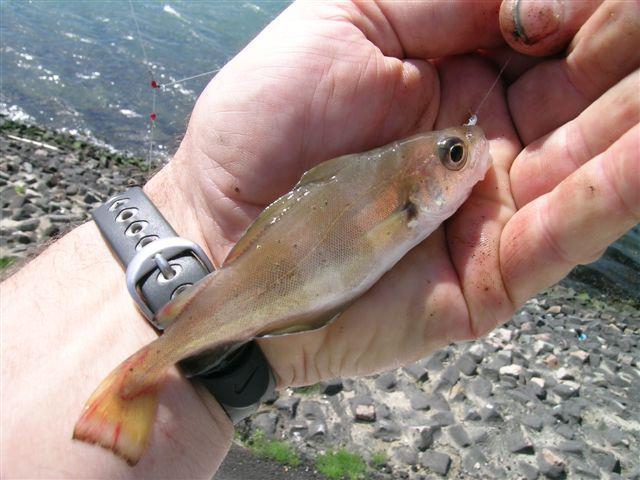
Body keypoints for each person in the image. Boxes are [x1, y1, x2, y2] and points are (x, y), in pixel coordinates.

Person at [1, 0, 638, 477]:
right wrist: (193, 212)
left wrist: (187, 224)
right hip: (252, 292)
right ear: (415, 192)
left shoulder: (412, 196)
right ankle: (138, 377)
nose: (470, 155)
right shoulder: (408, 197)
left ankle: (144, 371)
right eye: (453, 154)